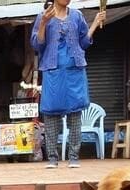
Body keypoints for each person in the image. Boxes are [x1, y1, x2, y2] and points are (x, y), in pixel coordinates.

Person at [31, 0, 106, 169]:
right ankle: (52, 158)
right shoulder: (43, 16)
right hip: (53, 72)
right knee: (51, 115)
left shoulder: (77, 16)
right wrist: (43, 22)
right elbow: (37, 44)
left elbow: (83, 43)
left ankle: (74, 157)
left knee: (75, 115)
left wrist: (95, 23)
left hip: (74, 71)